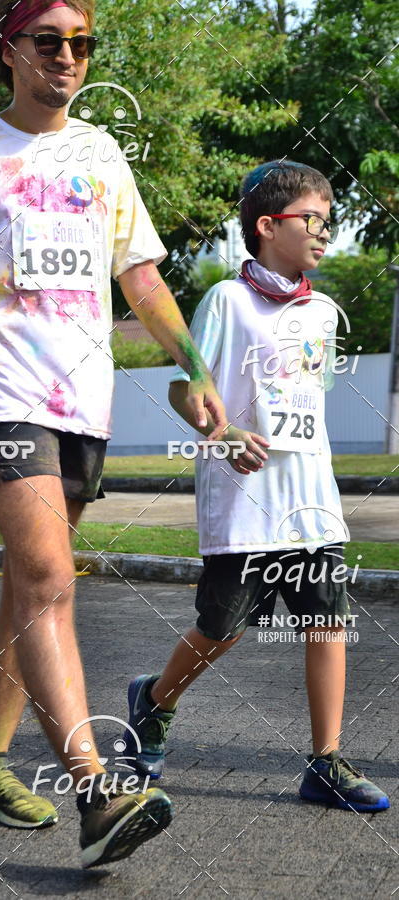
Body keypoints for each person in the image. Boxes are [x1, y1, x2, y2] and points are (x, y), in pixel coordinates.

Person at [0, 0, 227, 868]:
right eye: (48, 40)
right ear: (7, 49)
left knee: (29, 585)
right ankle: (96, 789)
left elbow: (140, 276)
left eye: (82, 42)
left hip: (81, 403)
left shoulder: (100, 153)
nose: (67, 57)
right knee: (51, 576)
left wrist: (196, 367)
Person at [124, 160, 390, 813]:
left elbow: (308, 400)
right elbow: (186, 389)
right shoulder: (225, 301)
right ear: (269, 226)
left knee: (328, 623)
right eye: (313, 221)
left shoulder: (324, 313)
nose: (326, 233)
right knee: (225, 629)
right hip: (243, 502)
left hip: (311, 502)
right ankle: (155, 701)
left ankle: (325, 762)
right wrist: (224, 434)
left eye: (330, 222)